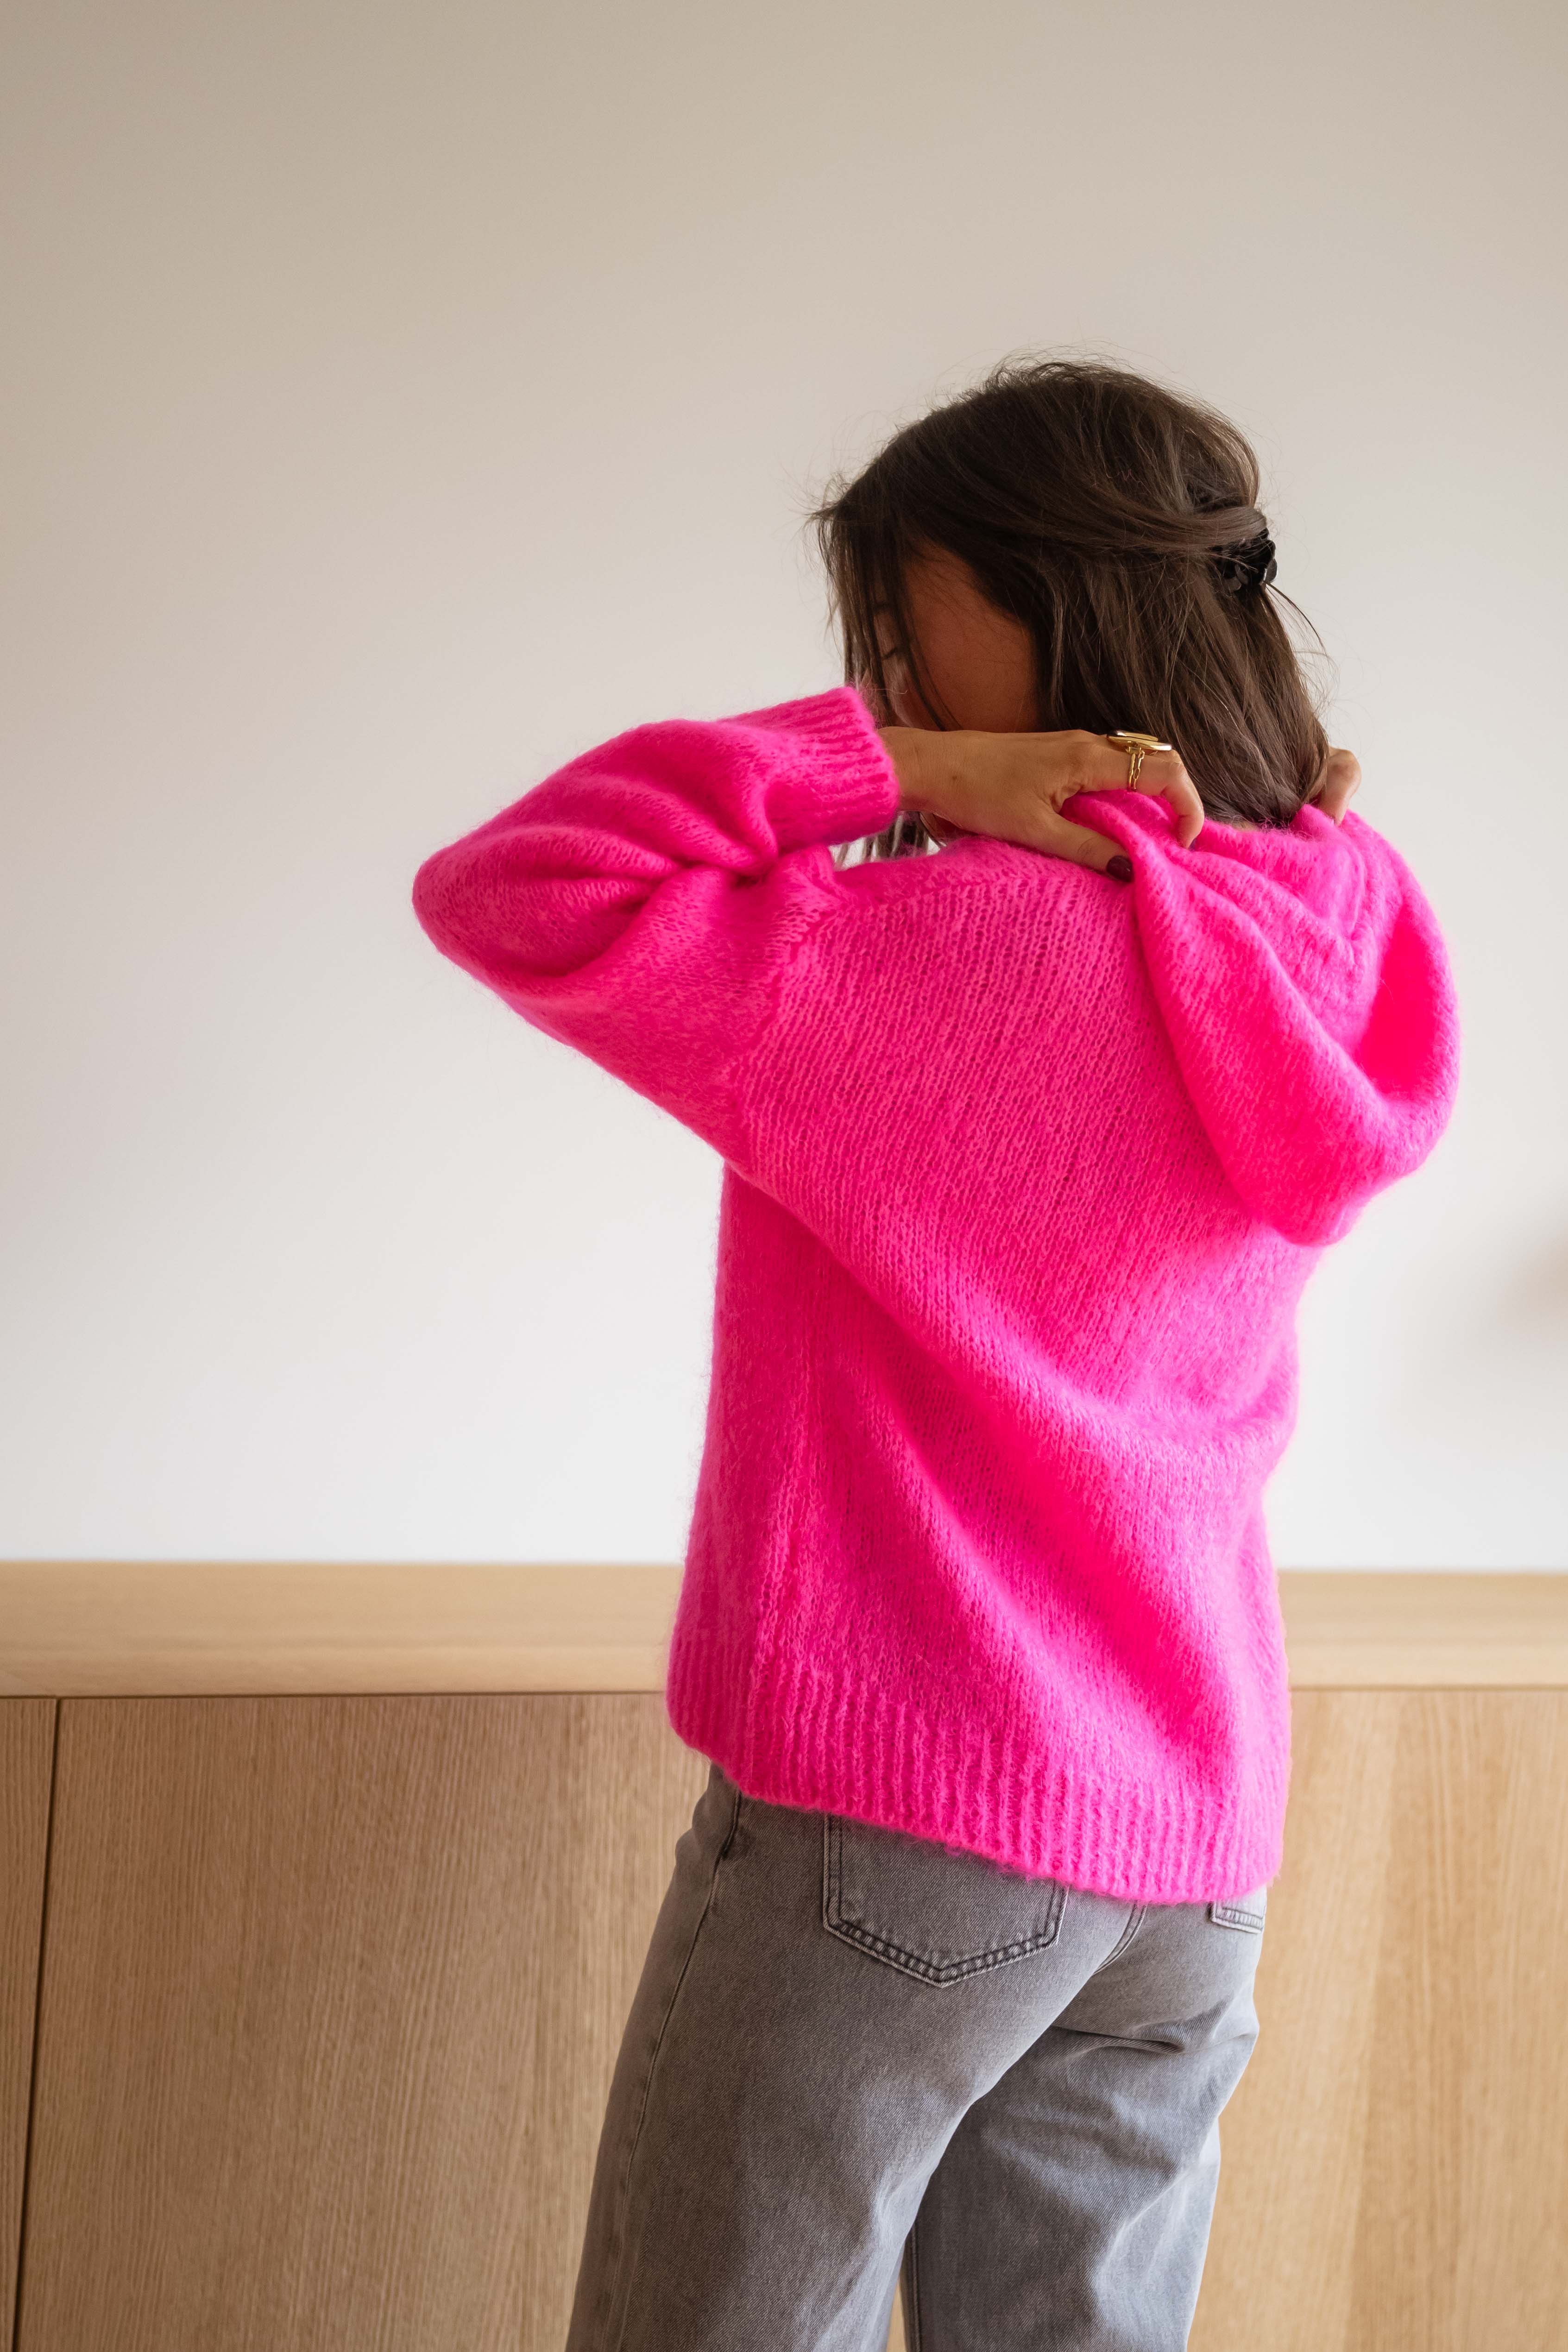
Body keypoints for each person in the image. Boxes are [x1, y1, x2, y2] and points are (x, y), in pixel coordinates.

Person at [412, 357, 1460, 2352]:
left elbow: (518, 886)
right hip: (1191, 1849)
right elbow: (1313, 835)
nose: (880, 662)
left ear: (1062, 599)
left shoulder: (921, 954)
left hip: (908, 1812)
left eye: (905, 616)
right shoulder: (1329, 921)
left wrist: (888, 778)